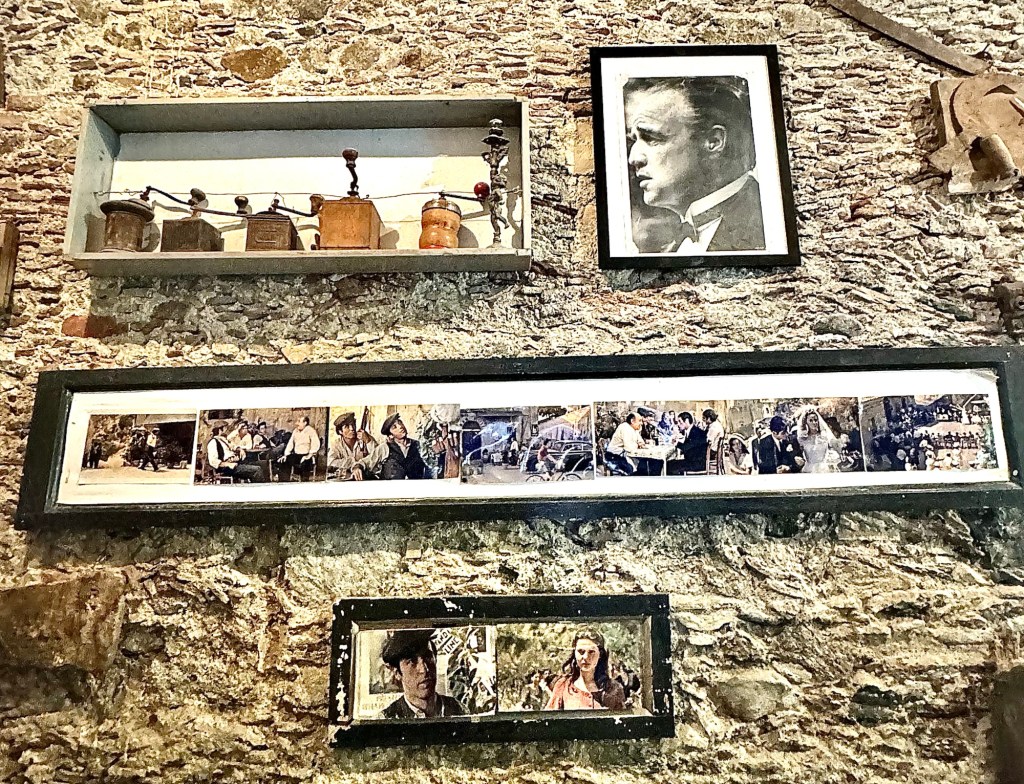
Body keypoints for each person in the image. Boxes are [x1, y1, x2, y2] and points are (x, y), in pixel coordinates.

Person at [624, 76, 765, 254]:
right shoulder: (672, 246)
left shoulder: (767, 223)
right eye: (634, 140)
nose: (633, 159)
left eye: (651, 138)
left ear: (713, 141)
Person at [380, 629, 466, 719]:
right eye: (412, 661)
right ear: (397, 673)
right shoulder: (386, 719)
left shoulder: (460, 710)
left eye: (428, 657)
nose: (424, 669)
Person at [545, 630, 626, 711]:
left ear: (600, 654)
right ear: (575, 653)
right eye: (581, 651)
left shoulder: (614, 689)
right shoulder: (563, 686)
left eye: (591, 652)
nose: (586, 657)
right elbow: (549, 717)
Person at [354, 413, 429, 480]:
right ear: (391, 435)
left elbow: (431, 466)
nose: (400, 427)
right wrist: (357, 467)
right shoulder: (384, 448)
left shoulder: (419, 445)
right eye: (394, 427)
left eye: (400, 423)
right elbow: (365, 462)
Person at [328, 412, 375, 481]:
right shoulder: (337, 444)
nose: (352, 428)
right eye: (347, 426)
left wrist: (368, 441)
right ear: (340, 431)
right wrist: (354, 462)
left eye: (353, 424)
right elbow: (331, 462)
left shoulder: (365, 437)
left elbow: (378, 456)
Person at [795, 407, 841, 473]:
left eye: (815, 420)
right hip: (809, 468)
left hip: (824, 468)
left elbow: (835, 447)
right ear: (806, 422)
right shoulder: (803, 439)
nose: (814, 422)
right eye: (810, 420)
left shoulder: (824, 436)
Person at [278, 415, 321, 482]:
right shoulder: (295, 431)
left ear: (305, 423)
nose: (296, 423)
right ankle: (284, 483)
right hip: (297, 455)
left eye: (299, 421)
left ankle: (303, 483)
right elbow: (290, 444)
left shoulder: (311, 431)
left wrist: (308, 456)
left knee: (304, 464)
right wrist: (286, 455)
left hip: (307, 456)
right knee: (283, 462)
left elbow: (315, 444)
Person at [703, 408, 725, 474]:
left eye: (704, 418)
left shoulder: (714, 427)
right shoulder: (716, 424)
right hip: (714, 449)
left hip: (712, 451)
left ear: (709, 418)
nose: (703, 420)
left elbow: (708, 440)